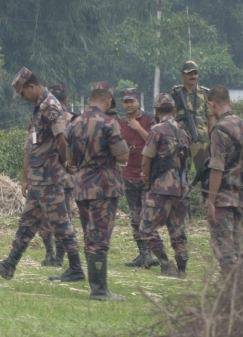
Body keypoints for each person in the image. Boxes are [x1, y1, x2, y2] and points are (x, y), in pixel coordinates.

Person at [0, 69, 84, 282]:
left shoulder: (50, 106)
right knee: (27, 223)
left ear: (32, 87)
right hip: (39, 178)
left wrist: (65, 162)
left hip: (50, 177)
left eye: (22, 93)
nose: (21, 97)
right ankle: (9, 265)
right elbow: (33, 144)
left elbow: (62, 137)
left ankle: (76, 268)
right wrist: (27, 176)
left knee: (61, 223)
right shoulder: (39, 107)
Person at [66, 88, 130, 301]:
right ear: (109, 101)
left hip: (82, 186)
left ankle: (97, 287)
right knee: (100, 237)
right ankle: (100, 290)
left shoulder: (73, 124)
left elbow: (69, 162)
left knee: (89, 235)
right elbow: (122, 156)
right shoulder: (109, 123)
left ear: (89, 100)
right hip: (104, 185)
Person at [204, 86, 243, 275]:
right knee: (237, 248)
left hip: (223, 197)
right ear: (231, 102)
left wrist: (211, 202)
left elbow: (217, 168)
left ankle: (232, 292)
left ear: (211, 104)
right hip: (240, 195)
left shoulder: (219, 130)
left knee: (224, 250)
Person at [140, 93, 190, 278]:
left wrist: (147, 182)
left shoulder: (157, 130)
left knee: (146, 227)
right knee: (178, 230)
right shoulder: (183, 132)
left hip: (162, 186)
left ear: (156, 110)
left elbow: (146, 161)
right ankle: (182, 270)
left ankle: (166, 264)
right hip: (182, 187)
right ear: (174, 110)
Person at [117, 88, 159, 269]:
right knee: (135, 217)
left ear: (138, 101)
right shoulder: (119, 122)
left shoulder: (149, 119)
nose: (129, 105)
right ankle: (143, 254)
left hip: (147, 175)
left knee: (147, 215)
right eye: (126, 102)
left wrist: (138, 128)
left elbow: (156, 141)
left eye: (131, 101)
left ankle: (153, 252)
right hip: (129, 174)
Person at [37, 84, 76, 267]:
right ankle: (54, 255)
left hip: (56, 176)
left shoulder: (71, 120)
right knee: (60, 218)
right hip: (60, 176)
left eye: (60, 100)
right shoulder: (73, 121)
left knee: (56, 219)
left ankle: (55, 255)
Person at [171, 61, 216, 184]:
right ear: (182, 75)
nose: (193, 76)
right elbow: (171, 117)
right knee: (180, 172)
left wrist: (212, 139)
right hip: (181, 139)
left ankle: (206, 199)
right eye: (189, 73)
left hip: (201, 140)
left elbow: (211, 118)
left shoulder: (205, 93)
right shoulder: (176, 93)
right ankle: (183, 200)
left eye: (195, 73)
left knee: (205, 173)